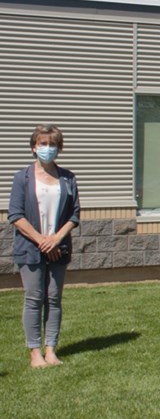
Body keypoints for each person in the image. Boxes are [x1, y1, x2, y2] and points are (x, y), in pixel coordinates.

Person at [8, 124, 80, 368]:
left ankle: (51, 350)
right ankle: (35, 353)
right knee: (34, 298)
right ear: (33, 147)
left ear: (59, 148)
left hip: (59, 248)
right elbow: (16, 216)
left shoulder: (68, 178)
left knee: (54, 298)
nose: (47, 148)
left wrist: (56, 239)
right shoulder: (22, 178)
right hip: (31, 248)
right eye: (42, 143)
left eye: (52, 144)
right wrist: (42, 241)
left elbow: (74, 215)